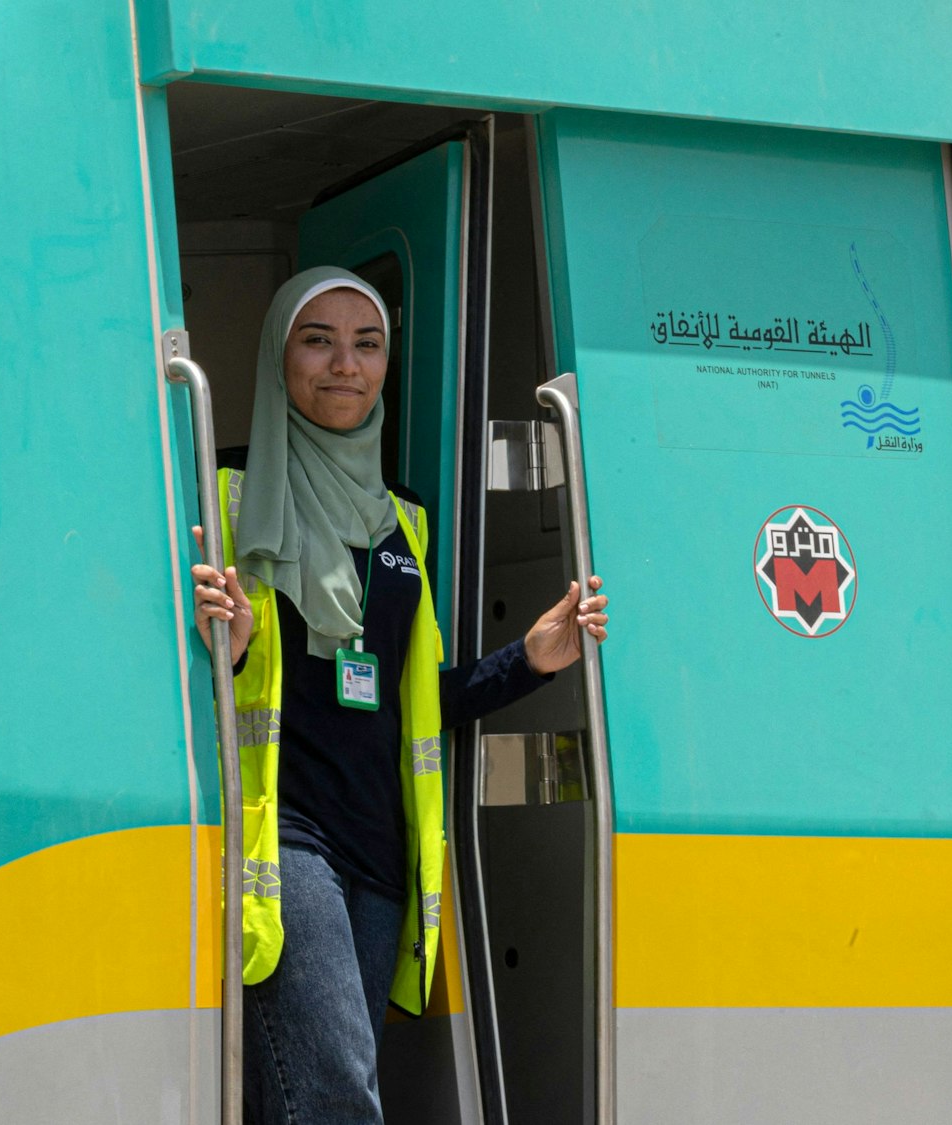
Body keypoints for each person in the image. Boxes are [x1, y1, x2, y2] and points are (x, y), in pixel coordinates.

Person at [189, 266, 611, 1124]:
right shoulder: (220, 492)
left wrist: (527, 661)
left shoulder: (403, 521)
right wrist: (223, 661)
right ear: (279, 355)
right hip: (284, 841)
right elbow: (171, 687)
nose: (345, 364)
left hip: (379, 856)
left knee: (301, 1093)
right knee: (340, 1094)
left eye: (367, 343)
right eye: (319, 339)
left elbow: (410, 703)